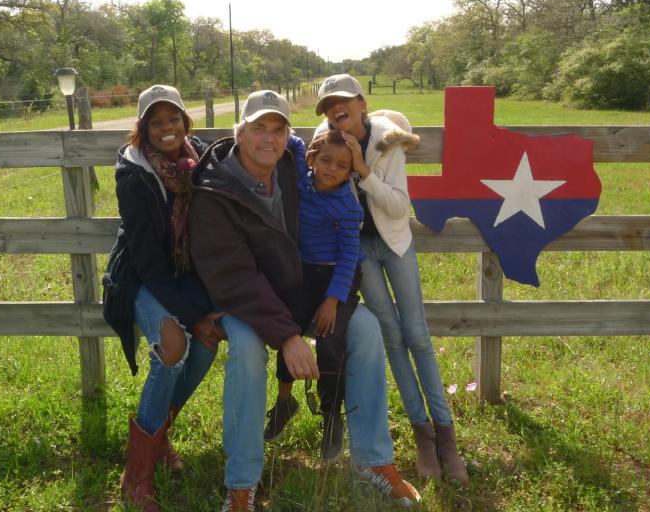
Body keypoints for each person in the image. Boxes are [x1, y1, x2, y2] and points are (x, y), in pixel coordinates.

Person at [189, 90, 421, 512]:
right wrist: (289, 336)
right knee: (245, 347)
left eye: (278, 130)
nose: (269, 139)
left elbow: (341, 138)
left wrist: (381, 125)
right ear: (239, 132)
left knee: (367, 329)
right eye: (259, 128)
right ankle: (241, 483)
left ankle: (373, 460)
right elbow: (235, 277)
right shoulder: (215, 191)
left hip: (307, 293)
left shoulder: (296, 168)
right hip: (249, 301)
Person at [313, 74, 470, 484]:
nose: (335, 109)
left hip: (395, 243)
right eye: (328, 105)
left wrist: (364, 170)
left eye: (343, 101)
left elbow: (399, 208)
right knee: (391, 337)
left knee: (417, 333)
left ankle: (446, 434)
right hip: (357, 250)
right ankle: (422, 433)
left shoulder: (389, 140)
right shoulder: (325, 142)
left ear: (362, 103)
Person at [102, 85, 226, 512]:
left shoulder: (203, 160)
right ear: (144, 129)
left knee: (208, 343)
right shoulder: (134, 173)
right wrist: (193, 314)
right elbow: (148, 262)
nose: (167, 128)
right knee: (174, 345)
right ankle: (136, 478)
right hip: (140, 276)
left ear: (185, 122)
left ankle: (156, 439)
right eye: (157, 122)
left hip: (187, 273)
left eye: (173, 118)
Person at [263, 129, 363, 463]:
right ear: (312, 159)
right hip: (304, 272)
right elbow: (289, 139)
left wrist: (333, 300)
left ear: (350, 172)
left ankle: (332, 417)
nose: (331, 169)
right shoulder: (302, 183)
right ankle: (284, 400)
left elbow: (350, 256)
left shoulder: (347, 205)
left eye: (341, 165)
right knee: (286, 326)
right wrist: (275, 127)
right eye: (326, 160)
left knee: (331, 340)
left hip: (338, 277)